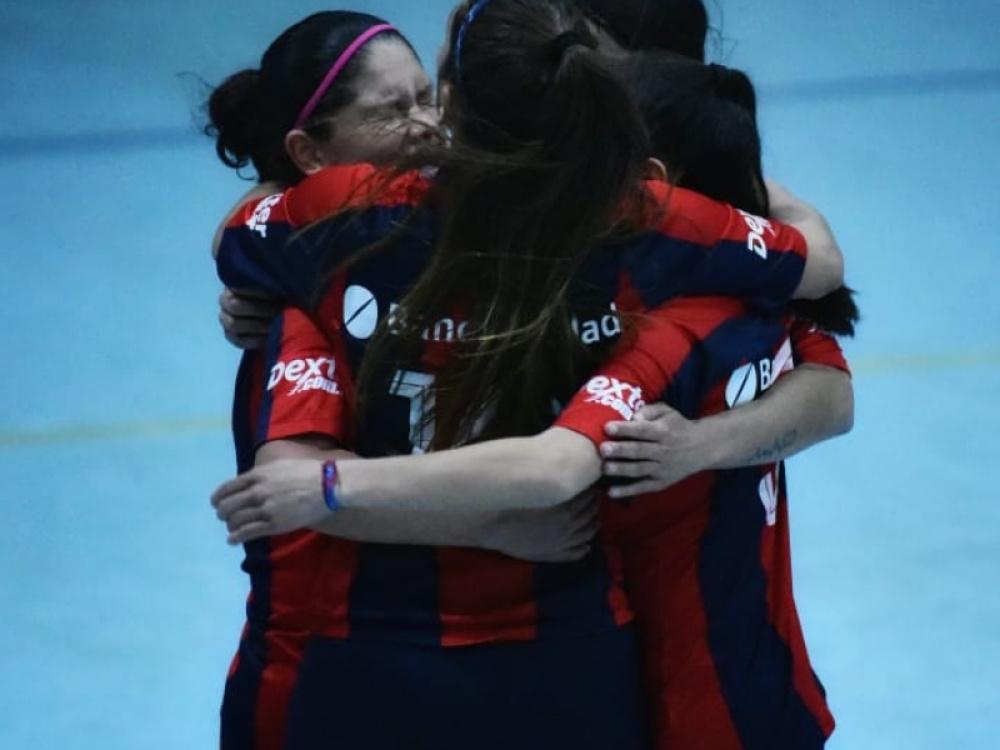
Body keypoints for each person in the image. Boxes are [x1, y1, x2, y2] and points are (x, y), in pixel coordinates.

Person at [210, 0, 845, 747]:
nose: (421, 123)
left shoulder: (334, 230)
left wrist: (331, 485)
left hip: (411, 660)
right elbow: (821, 282)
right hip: (589, 656)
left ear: (455, 102)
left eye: (429, 94)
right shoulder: (661, 227)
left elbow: (241, 241)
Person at [203, 11, 438, 750]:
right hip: (320, 662)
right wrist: (514, 519)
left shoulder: (410, 223)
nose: (427, 126)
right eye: (392, 112)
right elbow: (302, 503)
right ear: (309, 151)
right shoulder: (306, 288)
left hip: (428, 646)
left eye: (428, 96)